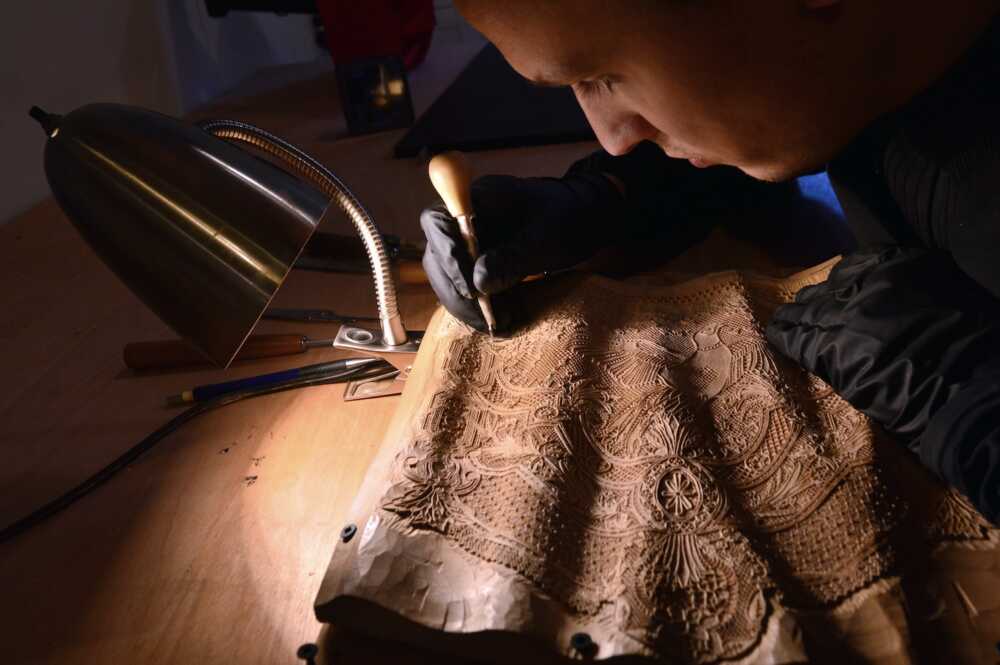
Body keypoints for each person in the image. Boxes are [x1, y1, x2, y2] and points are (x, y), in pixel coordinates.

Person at [419, 0, 1000, 522]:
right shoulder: (871, 74)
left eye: (603, 77)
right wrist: (610, 200)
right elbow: (770, 117)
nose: (613, 137)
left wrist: (971, 417)